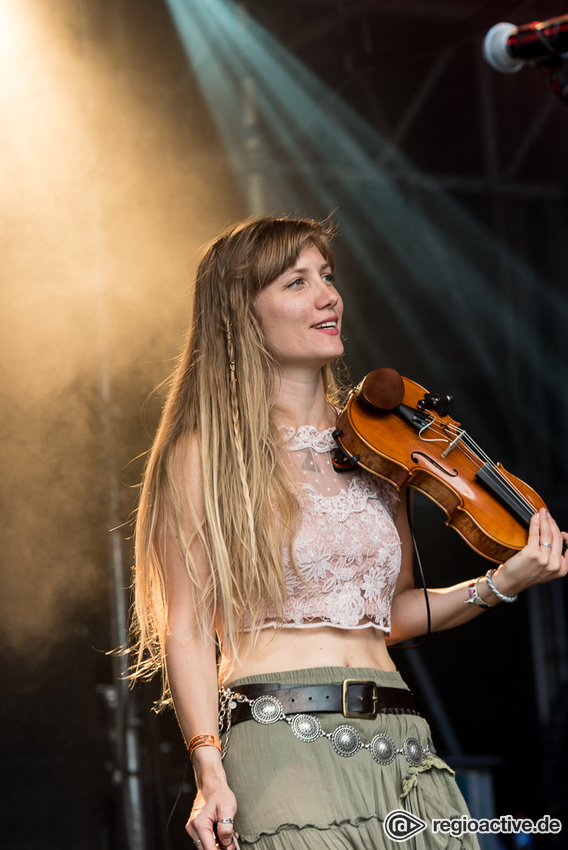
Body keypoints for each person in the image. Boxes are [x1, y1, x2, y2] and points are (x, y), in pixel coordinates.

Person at [130, 215, 568, 850]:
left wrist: (501, 583)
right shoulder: (206, 456)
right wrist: (208, 764)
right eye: (296, 282)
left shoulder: (377, 451)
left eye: (327, 277)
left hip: (401, 742)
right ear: (241, 315)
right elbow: (189, 626)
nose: (328, 295)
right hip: (284, 745)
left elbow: (389, 615)